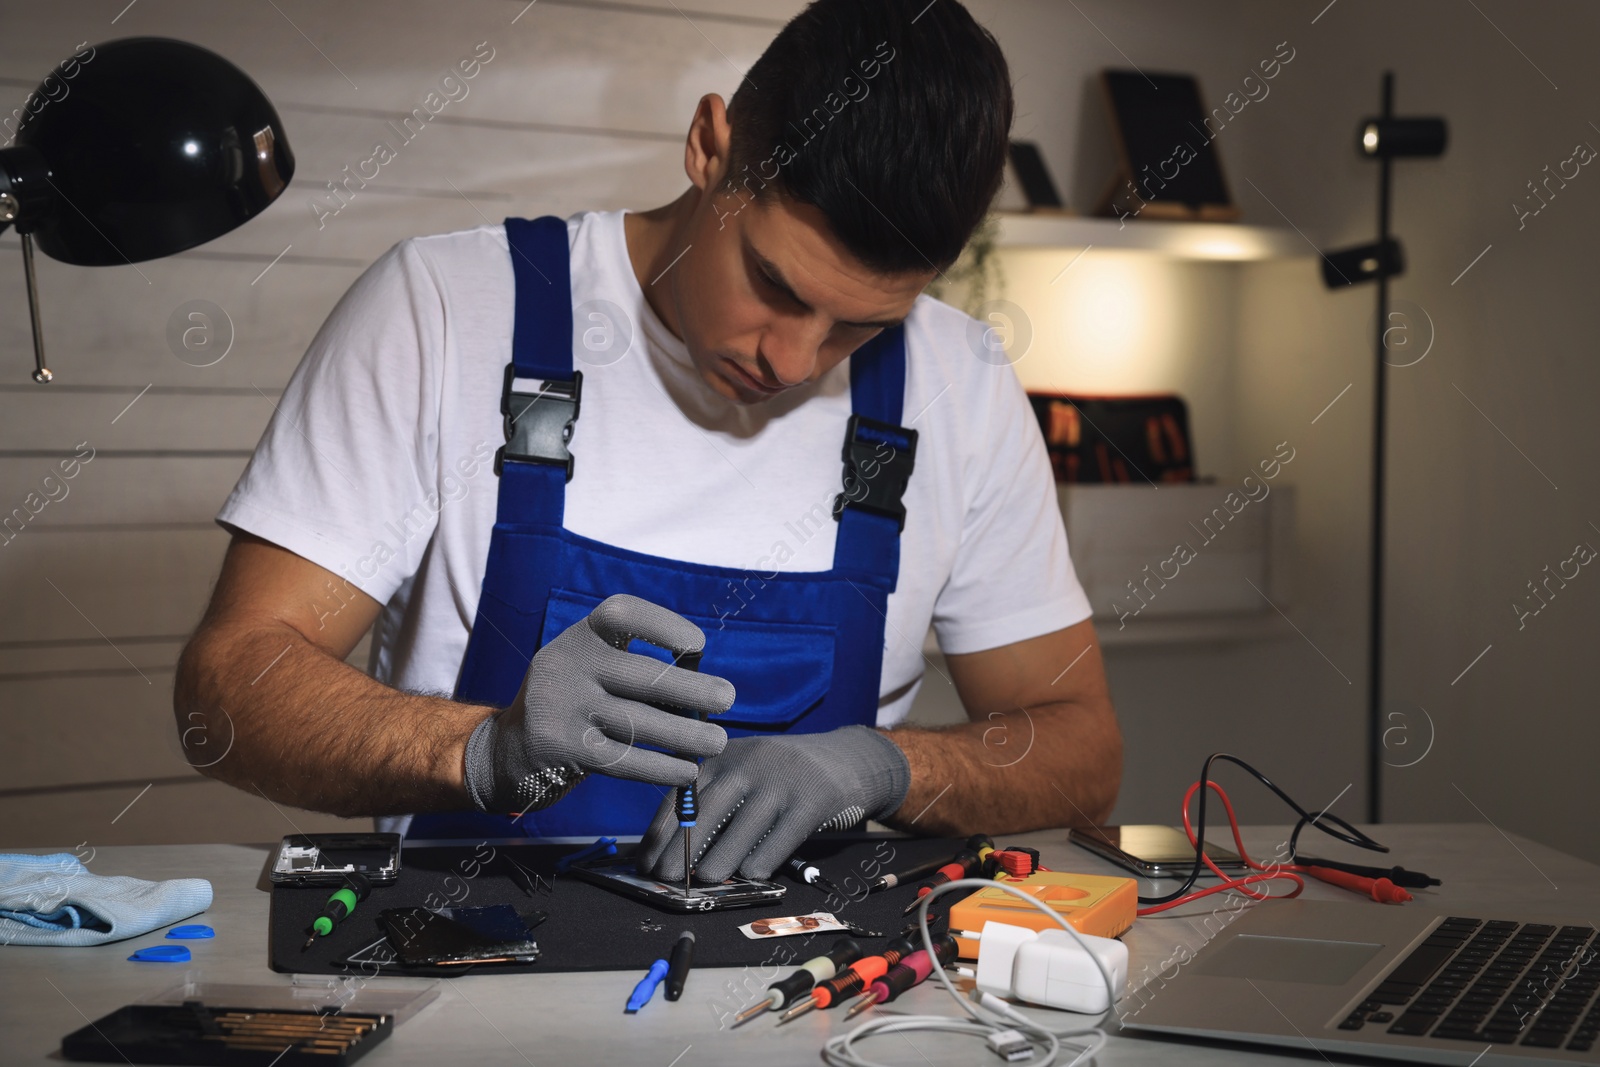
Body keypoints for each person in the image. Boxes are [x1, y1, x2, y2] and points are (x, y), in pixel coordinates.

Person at [174, 0, 1122, 885]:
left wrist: (885, 766)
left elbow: (1082, 751)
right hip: (463, 972)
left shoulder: (960, 382)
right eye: (775, 284)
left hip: (802, 985)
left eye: (859, 325)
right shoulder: (447, 312)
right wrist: (481, 750)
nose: (793, 361)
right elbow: (230, 687)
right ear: (709, 147)